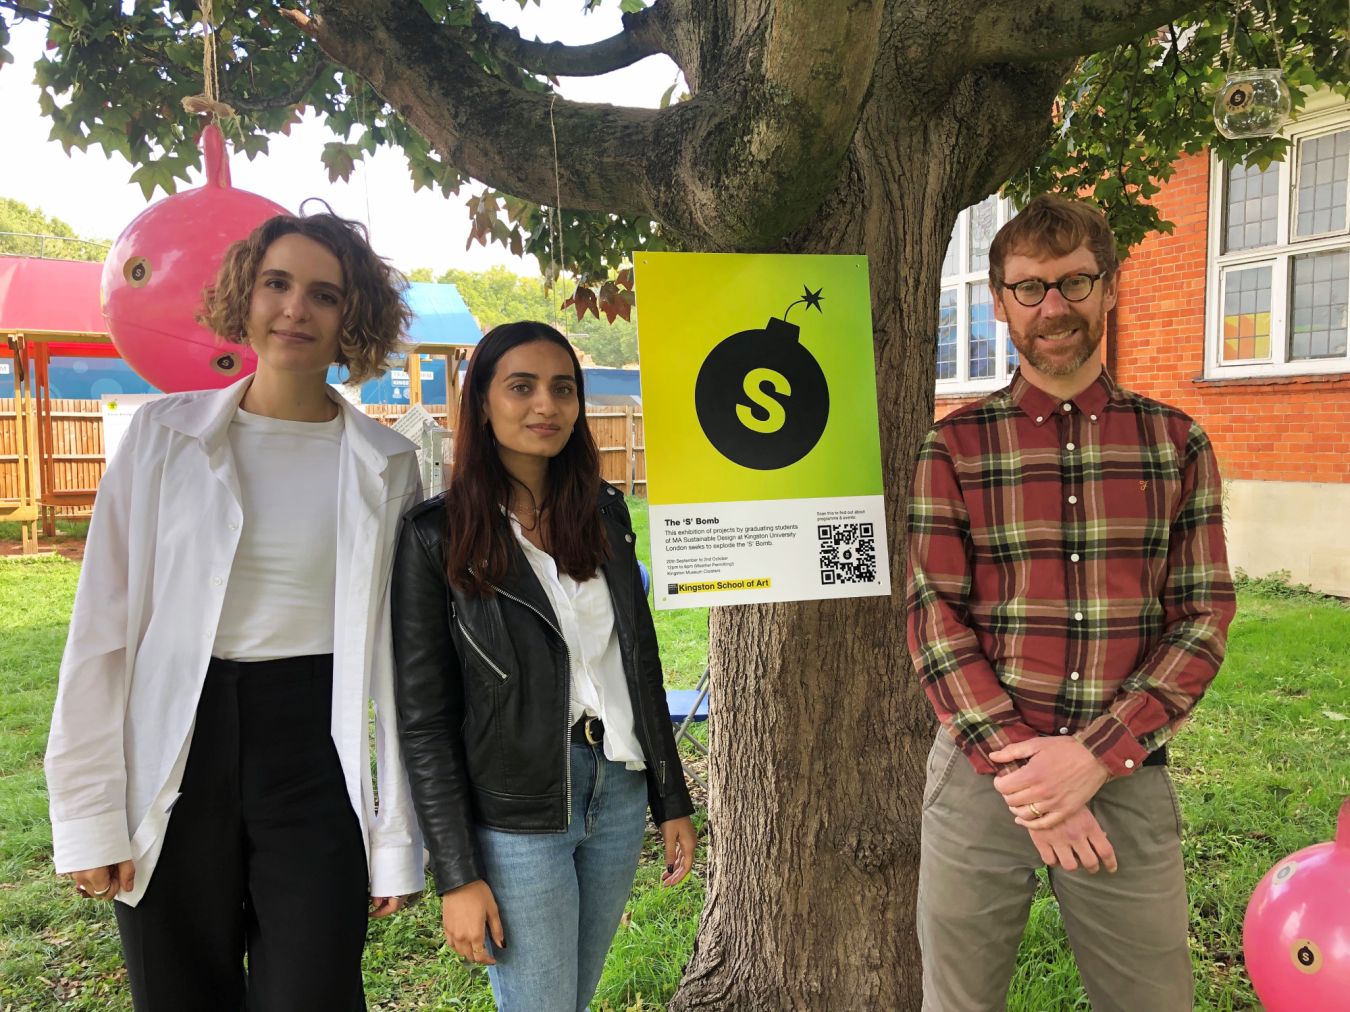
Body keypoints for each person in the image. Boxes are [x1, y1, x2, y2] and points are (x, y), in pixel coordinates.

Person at [44, 211, 425, 1010]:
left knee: (311, 992)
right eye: (276, 284)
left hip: (312, 751)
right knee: (180, 991)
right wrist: (88, 815)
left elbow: (398, 661)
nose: (296, 309)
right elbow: (102, 631)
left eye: (324, 294)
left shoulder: (388, 466)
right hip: (178, 742)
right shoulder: (162, 437)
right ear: (244, 298)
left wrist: (395, 843)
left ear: (352, 317)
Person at [906, 194, 1236, 1011]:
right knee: (957, 1003)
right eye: (1030, 288)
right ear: (1000, 304)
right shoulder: (955, 446)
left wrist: (1090, 758)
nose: (1053, 307)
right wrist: (1028, 774)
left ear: (1109, 288)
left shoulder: (1176, 444)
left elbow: (1201, 617)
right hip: (982, 781)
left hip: (1123, 774)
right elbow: (934, 620)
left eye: (1074, 282)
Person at [391, 320, 697, 1012]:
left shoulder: (604, 513)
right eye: (521, 387)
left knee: (570, 1000)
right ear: (483, 402)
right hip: (517, 811)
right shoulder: (436, 536)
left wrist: (670, 799)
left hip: (616, 791)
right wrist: (457, 873)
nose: (547, 407)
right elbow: (423, 720)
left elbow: (639, 662)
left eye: (564, 389)